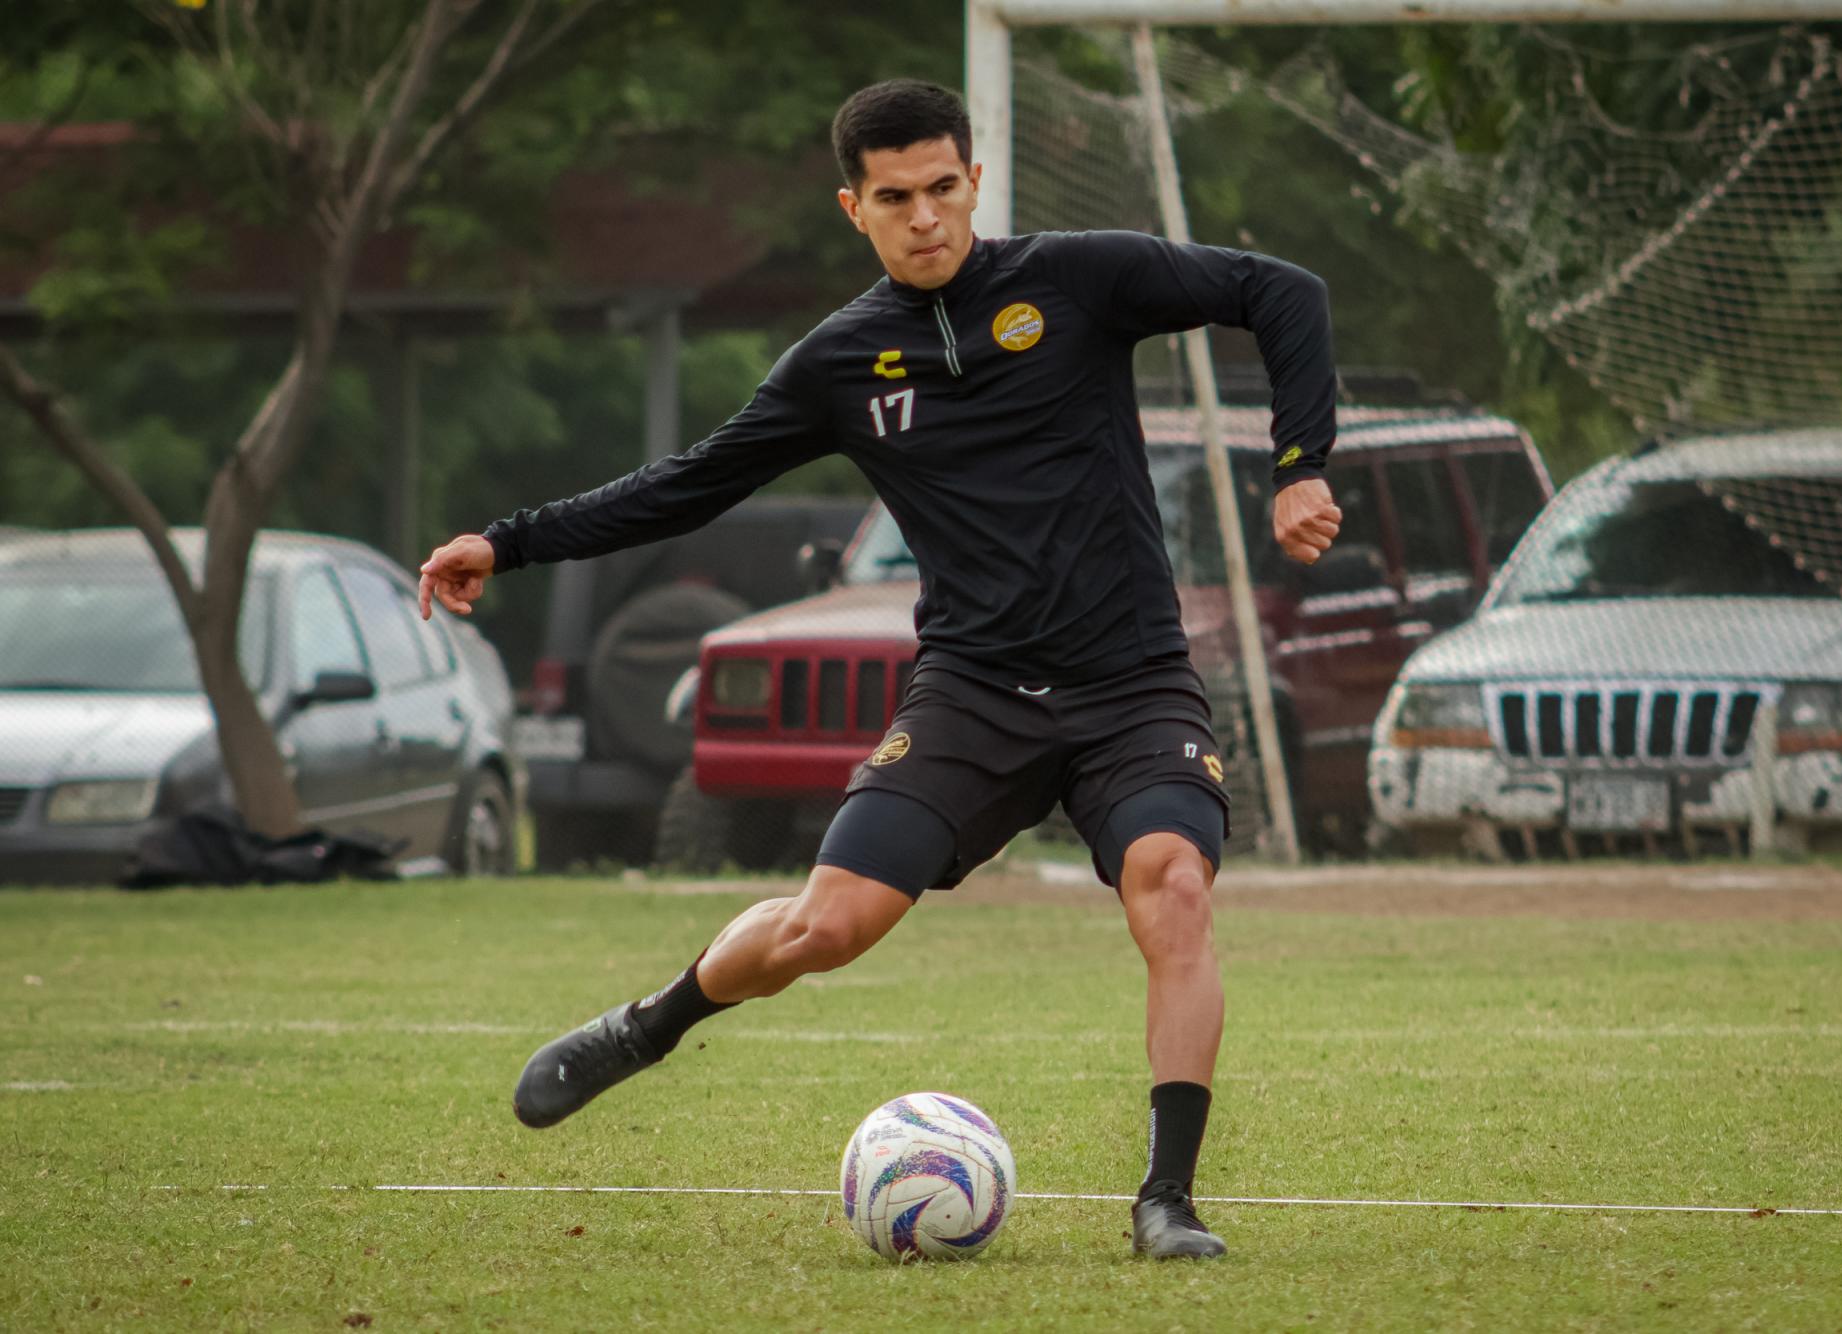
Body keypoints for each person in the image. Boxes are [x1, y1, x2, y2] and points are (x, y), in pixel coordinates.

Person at [419, 78, 1342, 1260]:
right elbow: (687, 483)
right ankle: (648, 1024)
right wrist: (509, 539)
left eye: (944, 189)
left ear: (973, 182)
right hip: (971, 693)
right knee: (827, 927)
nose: (925, 217)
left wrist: (1299, 462)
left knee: (1171, 885)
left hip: (1129, 683)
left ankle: (1166, 1198)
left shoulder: (1078, 278)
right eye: (895, 198)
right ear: (854, 208)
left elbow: (1281, 290)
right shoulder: (840, 362)